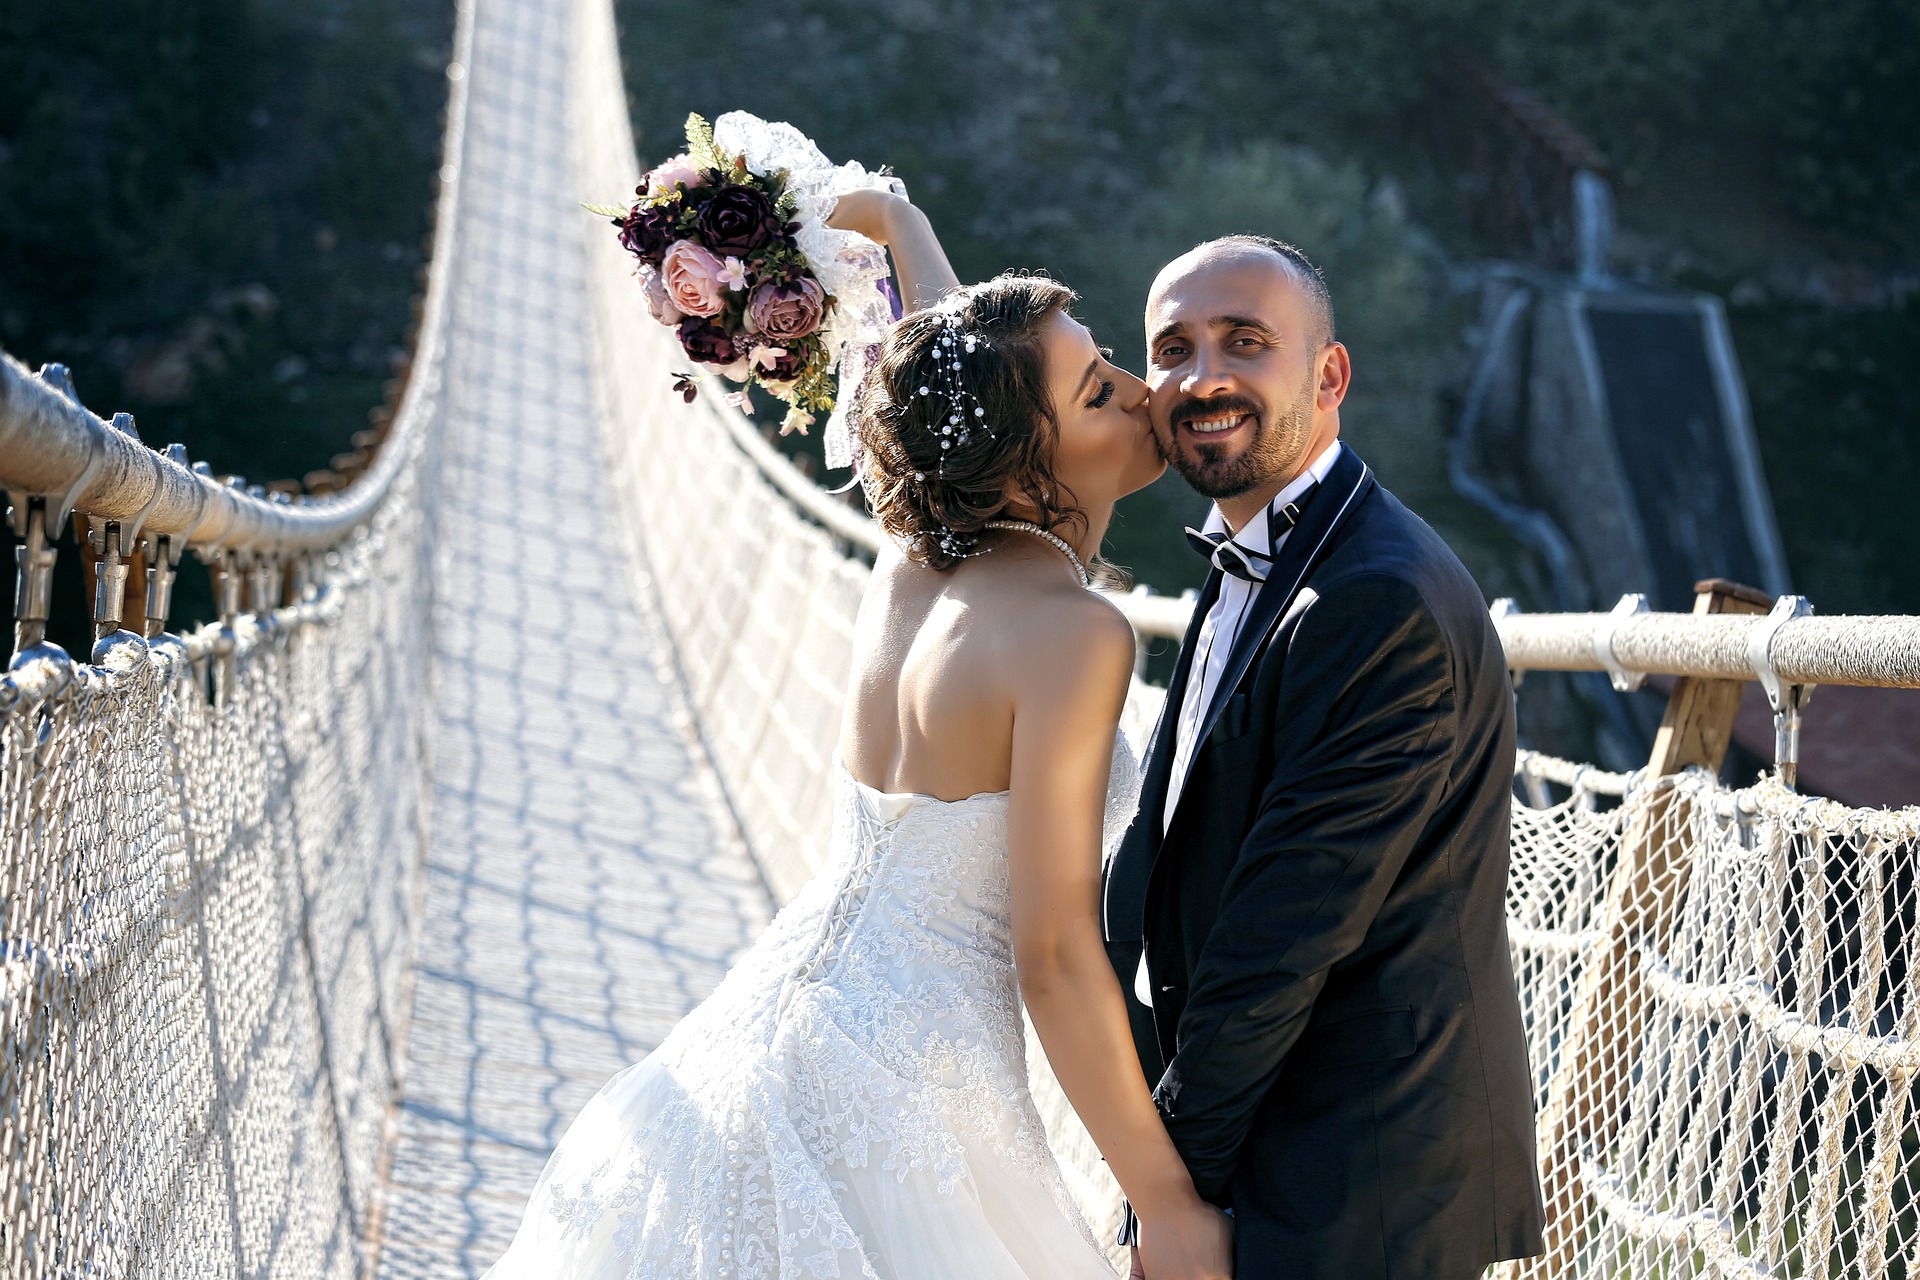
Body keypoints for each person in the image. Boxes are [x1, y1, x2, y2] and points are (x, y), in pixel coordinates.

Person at [485, 189, 1233, 1278]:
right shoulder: (1074, 633)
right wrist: (1162, 1198)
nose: (1140, 394)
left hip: (759, 1040)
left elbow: (945, 372)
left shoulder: (910, 551)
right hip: (905, 1097)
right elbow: (1055, 954)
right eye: (1098, 389)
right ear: (1026, 453)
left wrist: (904, 224)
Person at [1101, 235, 1547, 1280]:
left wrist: (1172, 1192)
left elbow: (1284, 932)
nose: (1203, 375)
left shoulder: (1374, 600)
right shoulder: (1263, 545)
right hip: (1281, 1144)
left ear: (1328, 374)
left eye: (1245, 341)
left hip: (1355, 1187)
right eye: (1174, 348)